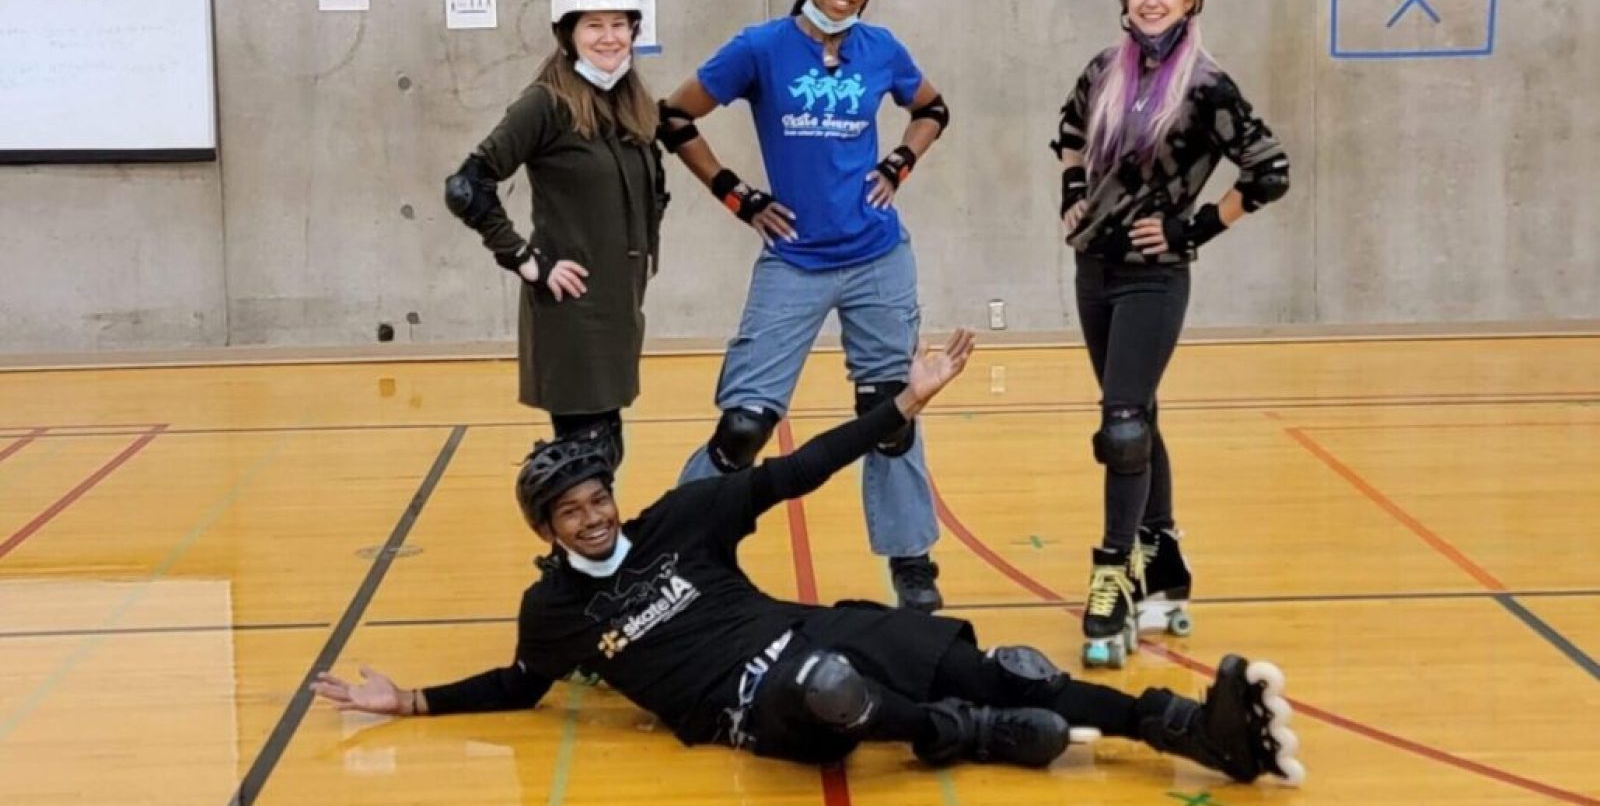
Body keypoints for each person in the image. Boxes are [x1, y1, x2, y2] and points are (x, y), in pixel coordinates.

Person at [310, 329, 1303, 784]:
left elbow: (806, 466)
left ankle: (1180, 730)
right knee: (831, 687)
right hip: (754, 703)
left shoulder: (680, 517)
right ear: (545, 531)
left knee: (998, 665)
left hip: (804, 628)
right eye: (566, 512)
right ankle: (964, 733)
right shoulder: (556, 613)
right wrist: (411, 702)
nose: (590, 518)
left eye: (595, 497)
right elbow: (522, 683)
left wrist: (902, 403)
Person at [655, 0, 951, 610]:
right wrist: (738, 196)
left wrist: (902, 159)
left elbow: (934, 108)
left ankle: (912, 563)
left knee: (890, 412)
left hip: (878, 254)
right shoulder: (759, 48)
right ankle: (674, 546)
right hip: (794, 260)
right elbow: (672, 116)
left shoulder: (882, 49)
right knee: (744, 426)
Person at [1052, 0, 1292, 666]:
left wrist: (1194, 227)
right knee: (1137, 414)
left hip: (1154, 278)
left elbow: (1269, 171)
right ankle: (1165, 556)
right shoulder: (1103, 70)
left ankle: (1112, 572)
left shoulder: (1208, 87)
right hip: (1093, 269)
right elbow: (1066, 133)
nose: (1151, 0)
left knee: (1122, 427)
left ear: (1191, 1)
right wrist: (1071, 197)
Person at [444, 0, 667, 462]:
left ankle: (580, 543)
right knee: (586, 456)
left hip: (619, 307)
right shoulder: (546, 103)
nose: (609, 38)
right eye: (593, 25)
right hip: (572, 310)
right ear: (567, 35)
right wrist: (527, 260)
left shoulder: (630, 102)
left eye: (619, 24)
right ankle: (573, 541)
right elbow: (467, 186)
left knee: (602, 450)